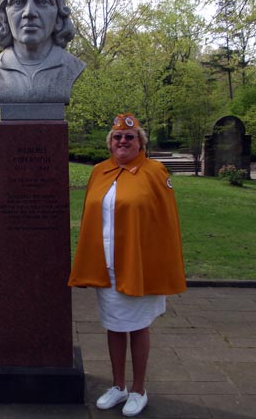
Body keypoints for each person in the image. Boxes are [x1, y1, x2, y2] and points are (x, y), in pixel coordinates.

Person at [68, 113, 186, 417]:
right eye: (117, 137)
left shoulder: (155, 172)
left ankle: (138, 388)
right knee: (114, 325)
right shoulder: (99, 172)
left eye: (129, 137)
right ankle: (118, 385)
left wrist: (160, 264)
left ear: (140, 142)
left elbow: (166, 224)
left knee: (137, 326)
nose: (123, 141)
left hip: (139, 265)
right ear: (110, 143)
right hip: (106, 266)